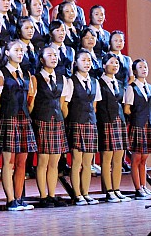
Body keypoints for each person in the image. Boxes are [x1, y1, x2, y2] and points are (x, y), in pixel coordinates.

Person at [0, 39, 37, 211]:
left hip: (23, 118)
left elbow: (30, 98)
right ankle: (10, 199)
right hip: (8, 117)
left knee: (21, 161)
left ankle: (19, 198)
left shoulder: (26, 74)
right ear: (7, 52)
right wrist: (1, 117)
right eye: (16, 50)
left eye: (22, 50)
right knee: (8, 161)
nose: (20, 53)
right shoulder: (1, 72)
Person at [30, 46, 69, 208]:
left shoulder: (62, 78)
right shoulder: (36, 78)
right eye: (49, 55)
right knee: (43, 161)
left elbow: (62, 103)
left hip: (57, 121)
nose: (53, 57)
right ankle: (43, 196)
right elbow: (31, 103)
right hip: (42, 120)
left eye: (55, 55)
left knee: (55, 161)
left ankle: (52, 195)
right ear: (41, 59)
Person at [66, 49, 101, 206]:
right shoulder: (71, 81)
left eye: (89, 60)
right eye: (83, 60)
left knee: (88, 162)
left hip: (90, 123)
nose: (87, 63)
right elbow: (65, 105)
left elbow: (94, 105)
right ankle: (77, 194)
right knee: (77, 161)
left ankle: (86, 193)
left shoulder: (94, 82)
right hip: (76, 121)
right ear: (76, 63)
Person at [124, 58, 151, 200]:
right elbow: (127, 109)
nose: (144, 69)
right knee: (136, 158)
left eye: (145, 67)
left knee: (144, 159)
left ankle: (144, 186)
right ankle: (138, 189)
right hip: (137, 124)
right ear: (134, 71)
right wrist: (135, 118)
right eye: (140, 67)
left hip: (148, 125)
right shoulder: (131, 88)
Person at [97, 53, 130, 203]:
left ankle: (117, 189)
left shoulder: (120, 83)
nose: (115, 65)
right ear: (104, 65)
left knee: (119, 157)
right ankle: (109, 191)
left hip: (119, 120)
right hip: (106, 121)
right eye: (112, 62)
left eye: (116, 63)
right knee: (107, 158)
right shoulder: (99, 83)